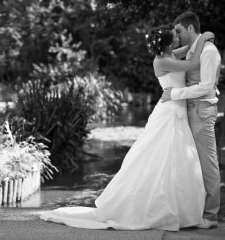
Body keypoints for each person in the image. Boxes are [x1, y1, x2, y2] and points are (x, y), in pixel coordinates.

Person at [40, 24, 214, 231]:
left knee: (180, 160)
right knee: (162, 158)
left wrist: (197, 41)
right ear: (168, 43)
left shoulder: (170, 54)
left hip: (177, 111)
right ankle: (165, 210)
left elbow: (186, 52)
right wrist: (203, 38)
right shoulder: (163, 61)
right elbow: (193, 61)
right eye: (175, 36)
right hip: (169, 113)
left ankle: (183, 212)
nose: (178, 37)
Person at [161, 11, 221, 229]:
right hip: (188, 110)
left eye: (178, 31)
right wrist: (205, 35)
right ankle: (190, 209)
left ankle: (211, 215)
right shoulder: (193, 49)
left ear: (189, 28)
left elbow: (206, 86)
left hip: (202, 111)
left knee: (207, 164)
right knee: (189, 164)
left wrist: (175, 94)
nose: (175, 35)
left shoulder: (208, 51)